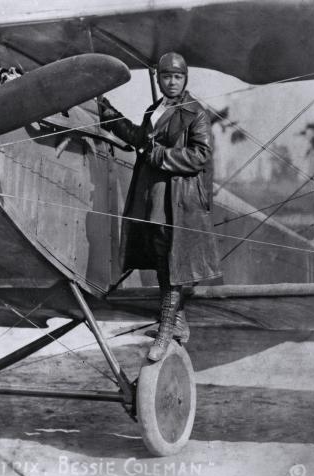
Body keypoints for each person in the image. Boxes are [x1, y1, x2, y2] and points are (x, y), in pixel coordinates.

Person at [98, 52, 221, 361]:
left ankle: (165, 331)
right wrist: (109, 113)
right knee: (162, 260)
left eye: (177, 77)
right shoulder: (155, 109)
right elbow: (140, 138)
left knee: (171, 264)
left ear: (185, 79)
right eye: (166, 76)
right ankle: (178, 324)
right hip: (153, 197)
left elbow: (200, 156)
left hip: (176, 200)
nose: (172, 81)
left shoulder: (196, 113)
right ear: (159, 79)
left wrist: (160, 157)